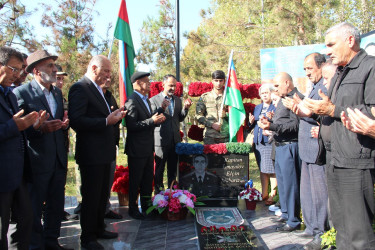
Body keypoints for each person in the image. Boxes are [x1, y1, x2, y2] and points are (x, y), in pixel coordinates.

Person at [303, 22, 375, 249]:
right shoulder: (340, 73)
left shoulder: (370, 68)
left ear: (350, 41)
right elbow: (332, 107)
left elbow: (371, 112)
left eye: (331, 44)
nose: (327, 51)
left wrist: (332, 110)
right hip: (334, 159)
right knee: (341, 228)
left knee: (358, 231)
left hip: (356, 160)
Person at [13, 50, 71, 250]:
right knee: (34, 209)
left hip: (58, 159)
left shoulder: (56, 92)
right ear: (36, 70)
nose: (55, 70)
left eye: (54, 65)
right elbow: (19, 129)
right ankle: (36, 245)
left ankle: (52, 241)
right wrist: (38, 128)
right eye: (50, 66)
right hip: (37, 162)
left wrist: (62, 125)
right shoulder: (21, 93)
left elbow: (54, 121)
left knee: (56, 205)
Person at [68, 55, 126, 250]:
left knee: (102, 196)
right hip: (91, 155)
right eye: (106, 71)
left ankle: (99, 227)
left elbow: (103, 117)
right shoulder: (80, 88)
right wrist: (105, 122)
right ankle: (88, 238)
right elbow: (77, 121)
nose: (109, 75)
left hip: (104, 153)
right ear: (94, 68)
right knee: (91, 198)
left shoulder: (98, 90)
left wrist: (114, 118)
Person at [0, 47, 46, 250]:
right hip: (2, 175)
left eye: (20, 70)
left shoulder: (8, 94)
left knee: (27, 220)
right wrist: (14, 126)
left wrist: (33, 127)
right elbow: (10, 128)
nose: (17, 75)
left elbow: (18, 132)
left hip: (17, 172)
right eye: (13, 69)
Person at [258, 72, 302, 232]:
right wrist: (269, 121)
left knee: (291, 185)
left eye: (277, 86)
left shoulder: (296, 98)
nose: (274, 90)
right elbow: (283, 121)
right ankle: (285, 214)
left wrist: (272, 126)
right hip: (280, 145)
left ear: (287, 82)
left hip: (290, 146)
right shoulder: (283, 100)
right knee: (283, 184)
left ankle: (293, 220)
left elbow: (296, 125)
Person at [125, 71, 165, 220]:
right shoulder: (131, 100)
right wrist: (152, 121)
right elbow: (132, 125)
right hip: (137, 149)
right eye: (146, 81)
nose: (149, 84)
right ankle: (133, 209)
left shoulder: (145, 100)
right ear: (137, 83)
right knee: (136, 180)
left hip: (148, 148)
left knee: (148, 179)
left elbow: (149, 118)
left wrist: (160, 110)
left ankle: (147, 206)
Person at [150, 74, 192, 193]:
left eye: (174, 86)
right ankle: (158, 197)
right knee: (159, 170)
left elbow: (179, 118)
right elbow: (152, 118)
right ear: (163, 85)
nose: (172, 88)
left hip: (175, 141)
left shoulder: (178, 100)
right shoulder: (154, 100)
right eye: (170, 85)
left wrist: (186, 108)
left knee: (172, 170)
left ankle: (172, 195)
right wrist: (162, 108)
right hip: (161, 141)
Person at [248, 83, 277, 205]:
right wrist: (250, 122)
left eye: (267, 93)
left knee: (271, 169)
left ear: (271, 93)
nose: (265, 95)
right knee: (262, 169)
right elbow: (253, 125)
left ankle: (272, 195)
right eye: (263, 93)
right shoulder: (257, 107)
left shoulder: (275, 107)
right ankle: (264, 193)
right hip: (258, 142)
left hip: (269, 141)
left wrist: (271, 120)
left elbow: (277, 124)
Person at [102, 78, 123, 220]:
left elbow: (114, 119)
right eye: (105, 75)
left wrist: (119, 117)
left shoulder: (110, 96)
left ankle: (105, 208)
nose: (109, 79)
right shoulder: (91, 94)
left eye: (110, 76)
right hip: (97, 147)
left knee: (108, 179)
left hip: (111, 145)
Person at [196, 70, 229, 144]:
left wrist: (226, 115)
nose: (218, 83)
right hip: (210, 137)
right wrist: (212, 124)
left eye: (221, 81)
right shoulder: (205, 97)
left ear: (224, 81)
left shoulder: (229, 97)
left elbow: (236, 115)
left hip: (226, 136)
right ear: (212, 81)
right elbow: (198, 115)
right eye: (216, 80)